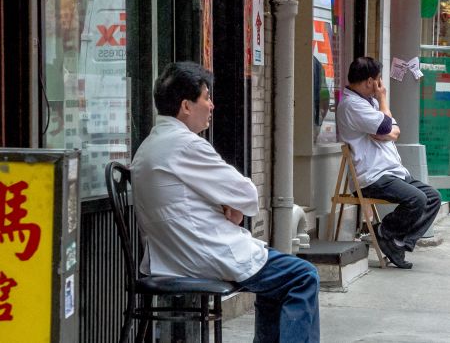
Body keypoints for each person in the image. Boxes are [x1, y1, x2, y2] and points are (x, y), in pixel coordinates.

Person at [131, 61, 320, 343]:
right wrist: (229, 204)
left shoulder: (150, 145)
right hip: (201, 253)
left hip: (172, 255)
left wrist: (226, 204)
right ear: (186, 106)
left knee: (276, 285)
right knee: (303, 276)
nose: (212, 106)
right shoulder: (186, 145)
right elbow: (246, 193)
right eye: (206, 98)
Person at [336, 56, 441, 269]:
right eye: (378, 80)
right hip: (372, 177)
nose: (380, 85)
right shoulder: (352, 105)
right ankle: (386, 233)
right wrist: (383, 99)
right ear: (369, 82)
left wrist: (386, 127)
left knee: (433, 197)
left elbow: (394, 130)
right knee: (417, 199)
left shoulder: (368, 102)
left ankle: (396, 240)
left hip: (392, 171)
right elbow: (387, 127)